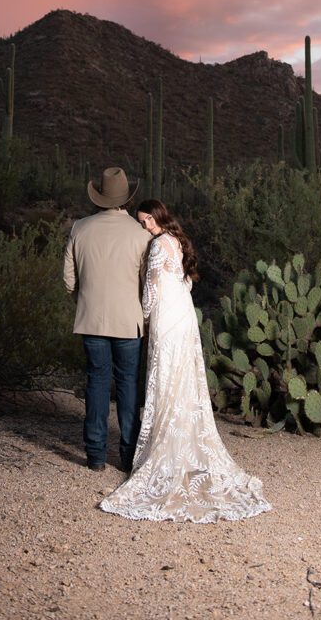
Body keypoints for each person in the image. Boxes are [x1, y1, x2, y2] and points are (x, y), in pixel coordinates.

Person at [100, 199, 272, 523]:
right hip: (184, 317)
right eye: (142, 222)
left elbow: (150, 291)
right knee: (181, 383)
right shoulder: (179, 241)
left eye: (148, 220)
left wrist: (145, 319)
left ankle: (167, 454)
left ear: (160, 216)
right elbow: (186, 283)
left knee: (167, 382)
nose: (146, 226)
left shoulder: (157, 246)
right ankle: (179, 448)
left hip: (167, 319)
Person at [63, 166, 151, 472]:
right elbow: (146, 284)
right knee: (128, 386)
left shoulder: (79, 228)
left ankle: (96, 456)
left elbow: (68, 280)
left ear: (99, 196)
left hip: (91, 320)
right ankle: (128, 456)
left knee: (96, 383)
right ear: (126, 199)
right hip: (129, 322)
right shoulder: (140, 235)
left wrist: (86, 299)